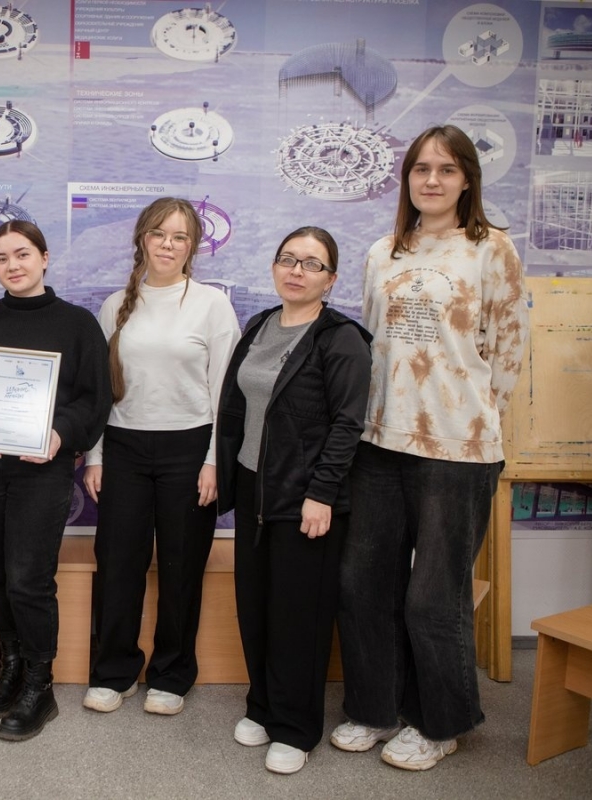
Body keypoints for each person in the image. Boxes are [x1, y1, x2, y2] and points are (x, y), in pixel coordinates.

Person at [333, 125, 529, 770]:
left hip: (458, 447)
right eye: (421, 168)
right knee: (364, 584)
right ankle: (374, 708)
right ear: (408, 178)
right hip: (379, 441)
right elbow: (374, 345)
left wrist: (474, 416)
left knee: (433, 597)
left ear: (467, 179)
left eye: (446, 169)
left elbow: (508, 347)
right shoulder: (383, 251)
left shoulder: (491, 248)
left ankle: (439, 722)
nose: (433, 180)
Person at [216, 227, 371, 774]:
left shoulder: (341, 339)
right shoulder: (259, 325)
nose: (297, 271)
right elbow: (237, 407)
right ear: (274, 268)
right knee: (256, 604)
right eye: (288, 259)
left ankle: (296, 727)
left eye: (311, 263)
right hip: (255, 487)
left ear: (331, 279)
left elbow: (348, 425)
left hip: (306, 497)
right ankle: (262, 705)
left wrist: (321, 493)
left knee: (298, 616)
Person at [0, 221, 112, 741]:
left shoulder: (77, 324)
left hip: (43, 473)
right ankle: (12, 667)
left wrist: (60, 432)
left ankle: (40, 686)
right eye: (2, 258)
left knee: (29, 580)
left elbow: (95, 397)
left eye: (23, 254)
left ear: (44, 258)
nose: (13, 265)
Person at [83, 197, 238, 716]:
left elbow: (224, 395)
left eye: (179, 237)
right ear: (142, 240)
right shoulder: (113, 306)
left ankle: (172, 674)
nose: (167, 245)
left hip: (190, 449)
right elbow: (102, 392)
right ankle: (114, 671)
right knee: (117, 565)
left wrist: (214, 461)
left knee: (181, 566)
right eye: (158, 234)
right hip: (123, 447)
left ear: (193, 247)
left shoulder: (212, 305)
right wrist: (95, 457)